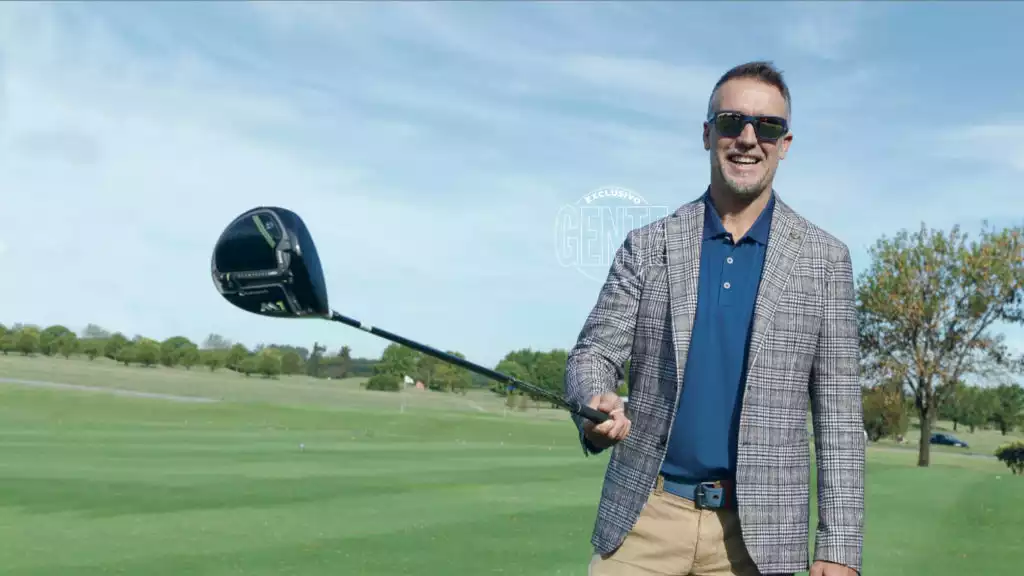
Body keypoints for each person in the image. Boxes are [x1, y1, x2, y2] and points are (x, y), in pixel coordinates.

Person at [564, 61, 865, 576]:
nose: (748, 138)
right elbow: (594, 353)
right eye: (731, 122)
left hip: (758, 539)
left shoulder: (825, 259)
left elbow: (839, 415)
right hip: (646, 517)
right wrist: (594, 401)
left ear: (785, 143)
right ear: (707, 134)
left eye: (766, 126)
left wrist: (839, 546)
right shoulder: (648, 246)